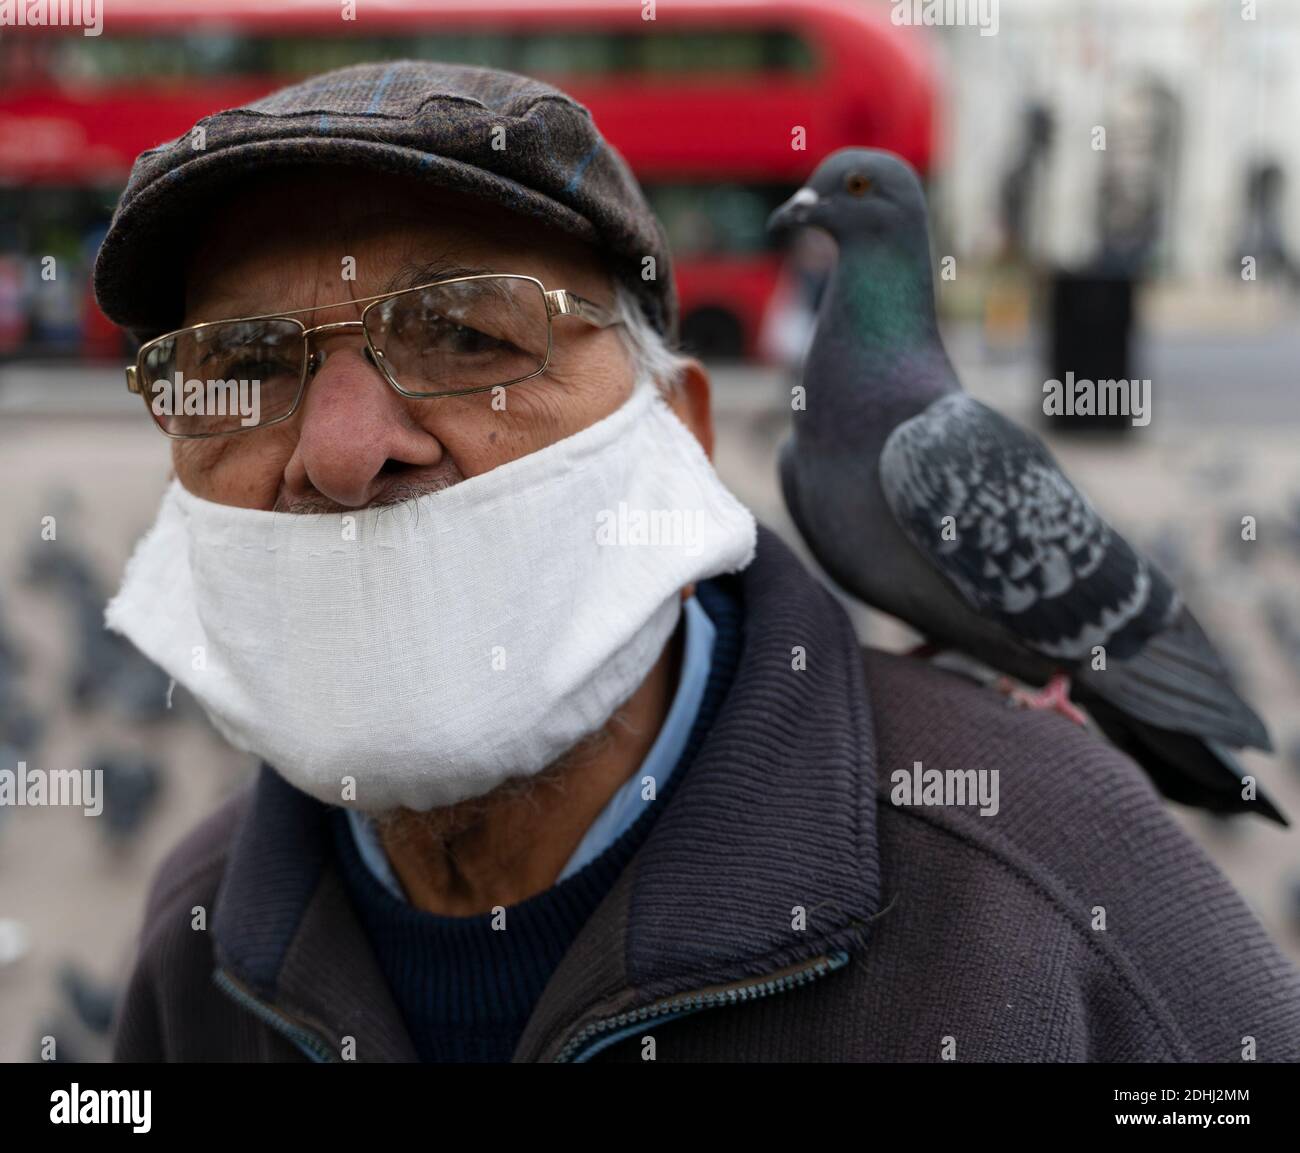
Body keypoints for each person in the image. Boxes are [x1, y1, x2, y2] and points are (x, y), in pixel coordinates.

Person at [95, 61, 1300, 1063]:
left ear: (677, 439)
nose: (343, 450)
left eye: (467, 332)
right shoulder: (193, 941)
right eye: (240, 368)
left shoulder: (1065, 900)